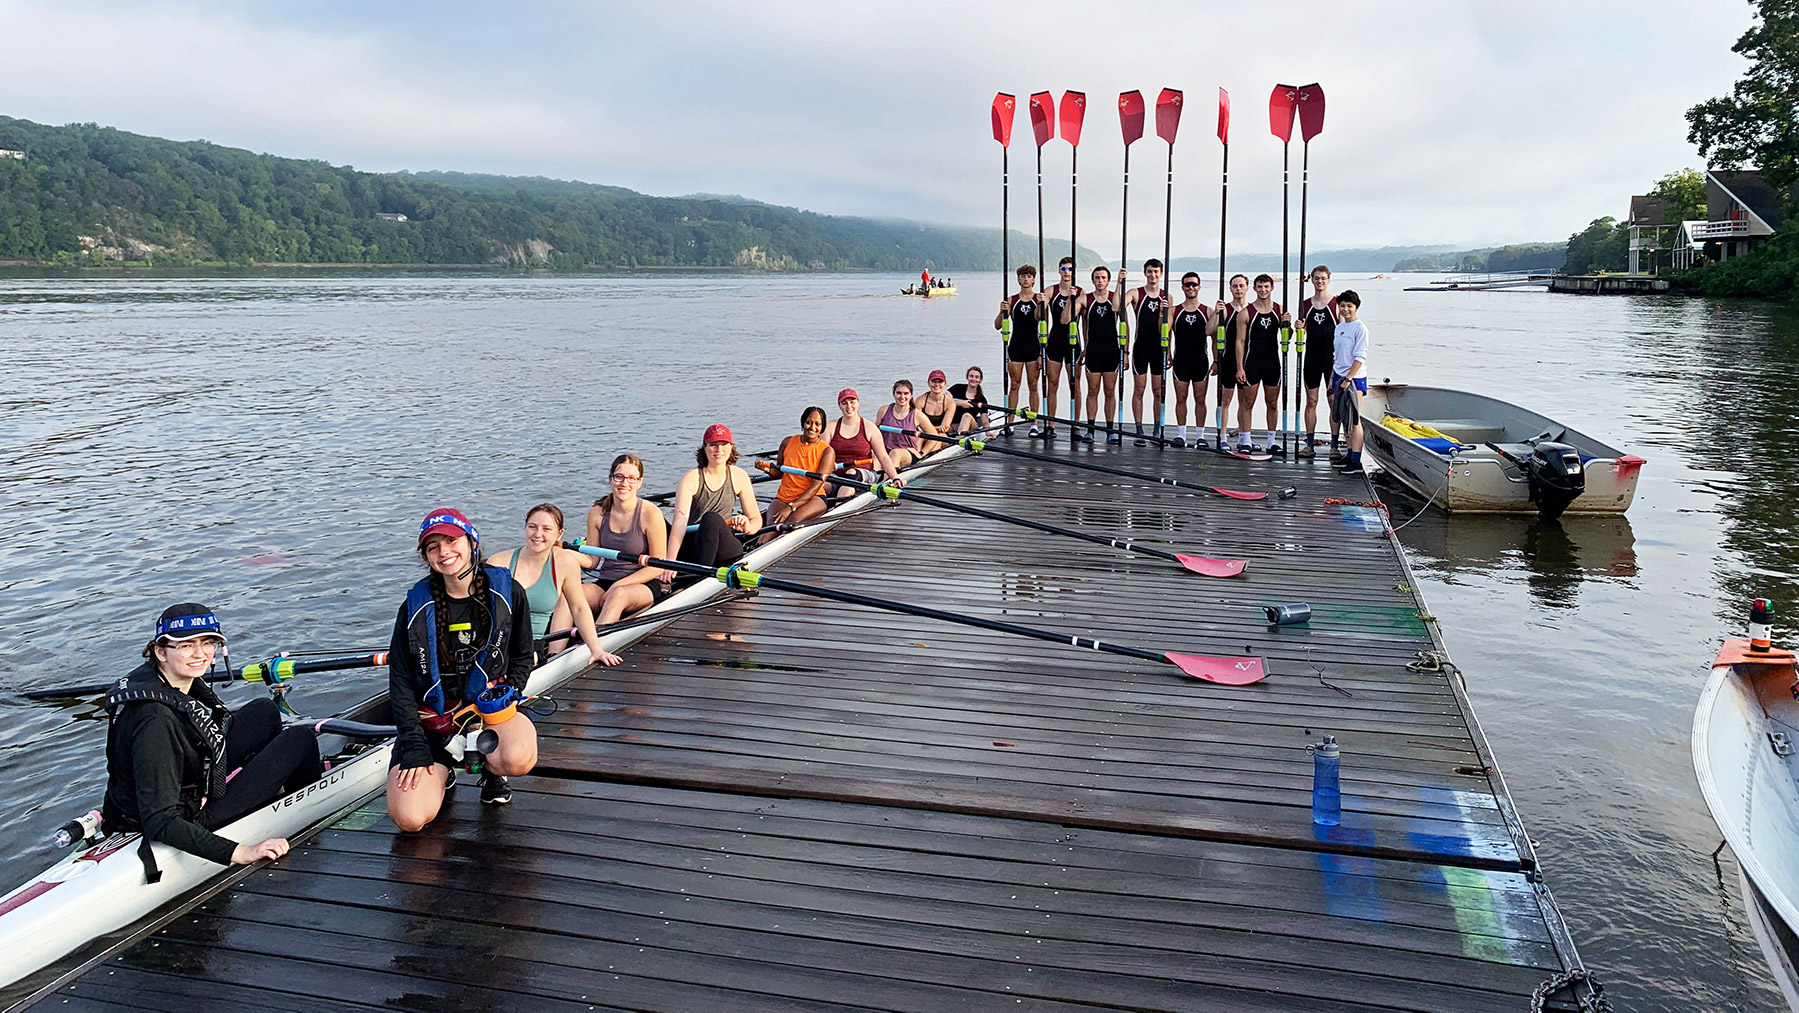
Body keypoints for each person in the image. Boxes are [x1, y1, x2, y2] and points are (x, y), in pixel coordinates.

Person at [102, 603, 321, 875]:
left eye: (208, 643)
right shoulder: (154, 721)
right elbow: (160, 822)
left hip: (187, 785)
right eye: (185, 645)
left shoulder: (163, 679)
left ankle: (274, 790)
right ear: (160, 651)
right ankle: (308, 811)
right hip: (186, 819)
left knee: (263, 711)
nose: (200, 654)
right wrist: (241, 851)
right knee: (300, 740)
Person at [388, 509, 539, 826]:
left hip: (487, 710)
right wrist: (414, 744)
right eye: (433, 547)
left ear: (472, 542)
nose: (444, 552)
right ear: (427, 557)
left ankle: (492, 771)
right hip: (433, 720)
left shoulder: (509, 593)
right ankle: (443, 771)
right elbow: (400, 681)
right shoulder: (413, 608)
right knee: (409, 819)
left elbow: (524, 657)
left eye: (451, 541)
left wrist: (504, 698)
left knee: (518, 757)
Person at [487, 505, 618, 664]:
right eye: (532, 527)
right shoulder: (498, 562)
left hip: (532, 644)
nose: (538, 534)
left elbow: (578, 608)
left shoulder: (565, 562)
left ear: (559, 534)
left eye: (546, 529)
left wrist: (596, 650)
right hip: (499, 642)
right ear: (525, 528)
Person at [582, 454, 671, 625]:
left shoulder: (650, 514)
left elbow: (658, 566)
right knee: (572, 594)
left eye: (631, 478)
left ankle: (593, 647)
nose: (624, 483)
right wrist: (563, 557)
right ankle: (551, 651)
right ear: (611, 479)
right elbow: (592, 560)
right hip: (606, 580)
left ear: (639, 482)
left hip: (643, 584)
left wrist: (618, 585)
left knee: (618, 595)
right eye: (619, 477)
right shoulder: (597, 513)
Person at [665, 424, 764, 569]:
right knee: (652, 514)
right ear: (704, 448)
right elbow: (680, 522)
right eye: (713, 445)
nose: (719, 450)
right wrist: (669, 563)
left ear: (731, 447)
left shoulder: (739, 476)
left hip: (724, 547)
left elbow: (756, 520)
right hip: (694, 542)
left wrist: (747, 527)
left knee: (711, 519)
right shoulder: (691, 478)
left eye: (724, 444)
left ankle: (695, 577)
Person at [756, 406, 836, 537]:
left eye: (817, 424)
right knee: (771, 525)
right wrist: (767, 470)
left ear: (822, 428)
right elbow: (779, 473)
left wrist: (790, 508)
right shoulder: (787, 442)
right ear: (803, 423)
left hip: (812, 498)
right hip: (784, 497)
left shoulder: (827, 452)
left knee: (791, 524)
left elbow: (815, 487)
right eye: (809, 422)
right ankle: (756, 550)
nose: (812, 427)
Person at [1233, 273, 1289, 455]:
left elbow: (1287, 338)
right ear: (1255, 288)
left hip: (1272, 363)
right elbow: (1240, 341)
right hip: (1252, 363)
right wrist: (1240, 367)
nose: (1263, 290)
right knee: (1247, 402)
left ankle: (1271, 442)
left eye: (1266, 287)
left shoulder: (1280, 310)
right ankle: (1246, 440)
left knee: (1272, 403)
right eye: (1259, 286)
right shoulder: (1245, 313)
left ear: (1272, 288)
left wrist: (1289, 325)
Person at [1072, 264, 1124, 444]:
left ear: (1108, 280)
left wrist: (1126, 351)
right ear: (1093, 280)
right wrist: (1072, 299)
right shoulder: (1085, 299)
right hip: (1093, 351)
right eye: (1097, 278)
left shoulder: (1115, 298)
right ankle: (1091, 430)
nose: (1100, 281)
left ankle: (1110, 430)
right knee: (1092, 391)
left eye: (1103, 278)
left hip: (1111, 350)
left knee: (1110, 391)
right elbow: (1066, 319)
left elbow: (1120, 315)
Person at [994, 265, 1046, 436]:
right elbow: (997, 325)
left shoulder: (1039, 299)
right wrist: (1003, 311)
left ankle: (1034, 423)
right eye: (1022, 276)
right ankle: (1009, 423)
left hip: (1033, 347)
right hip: (1016, 347)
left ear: (1033, 279)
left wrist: (1041, 354)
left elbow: (1040, 319)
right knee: (1014, 385)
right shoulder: (1011, 300)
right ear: (1018, 279)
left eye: (1029, 276)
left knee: (1033, 385)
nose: (1025, 279)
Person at [828, 388, 907, 498]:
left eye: (852, 402)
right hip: (837, 474)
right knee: (819, 485)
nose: (849, 406)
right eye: (844, 403)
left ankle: (837, 505)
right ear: (839, 405)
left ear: (858, 403)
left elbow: (883, 457)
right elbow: (820, 454)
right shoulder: (831, 427)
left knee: (851, 474)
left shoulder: (869, 427)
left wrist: (895, 478)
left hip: (863, 474)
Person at [1296, 265, 1340, 459]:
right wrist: (1298, 327)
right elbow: (1299, 334)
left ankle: (1334, 446)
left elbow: (1344, 332)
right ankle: (1310, 444)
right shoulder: (1305, 305)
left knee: (1332, 401)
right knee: (1311, 401)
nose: (1320, 281)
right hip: (1312, 358)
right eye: (1316, 278)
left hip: (1331, 359)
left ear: (1328, 280)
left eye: (1323, 278)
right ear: (1311, 280)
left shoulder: (1337, 304)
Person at [1168, 271, 1216, 447]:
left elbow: (1213, 337)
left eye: (1194, 284)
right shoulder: (1174, 311)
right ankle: (1181, 434)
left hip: (1200, 361)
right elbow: (1164, 333)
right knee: (1181, 398)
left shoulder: (1208, 311)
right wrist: (1161, 313)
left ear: (1199, 287)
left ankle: (1199, 436)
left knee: (1200, 399)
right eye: (1187, 284)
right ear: (1182, 287)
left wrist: (1216, 361)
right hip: (1180, 360)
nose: (1190, 287)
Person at [1043, 255, 1085, 440]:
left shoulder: (1081, 292)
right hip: (1054, 342)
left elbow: (1086, 324)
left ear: (1074, 272)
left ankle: (1075, 425)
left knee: (1074, 385)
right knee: (1052, 384)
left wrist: (1087, 345)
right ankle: (1050, 425)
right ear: (1059, 271)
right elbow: (1040, 317)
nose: (1066, 272)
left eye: (1069, 269)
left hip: (1073, 343)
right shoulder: (1051, 290)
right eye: (1063, 269)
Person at [1127, 258, 1168, 445]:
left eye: (1156, 272)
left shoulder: (1166, 297)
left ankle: (1157, 430)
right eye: (1150, 271)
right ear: (1145, 273)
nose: (1153, 275)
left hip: (1159, 349)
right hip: (1141, 348)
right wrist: (1120, 283)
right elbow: (1117, 306)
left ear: (1161, 274)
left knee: (1158, 392)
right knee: (1139, 389)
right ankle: (1139, 430)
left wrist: (1170, 351)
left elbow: (1168, 329)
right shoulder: (1137, 293)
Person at [1332, 290, 1370, 475]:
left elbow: (1360, 355)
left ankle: (1356, 460)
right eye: (1342, 306)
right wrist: (1336, 375)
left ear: (1356, 307)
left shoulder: (1360, 328)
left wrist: (1349, 377)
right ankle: (1349, 454)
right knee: (1342, 418)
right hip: (1338, 375)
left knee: (1354, 419)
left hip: (1354, 379)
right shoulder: (1339, 327)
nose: (1345, 309)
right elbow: (1337, 354)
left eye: (1349, 306)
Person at [1213, 274, 1250, 447]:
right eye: (1235, 286)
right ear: (1230, 289)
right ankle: (1222, 436)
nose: (1238, 289)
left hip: (1247, 361)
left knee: (1244, 401)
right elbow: (1208, 331)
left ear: (1247, 288)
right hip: (1227, 361)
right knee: (1225, 401)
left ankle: (1244, 436)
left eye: (1241, 286)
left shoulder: (1252, 310)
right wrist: (1216, 313)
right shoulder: (1225, 309)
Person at [878, 379, 942, 468]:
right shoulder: (883, 410)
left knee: (895, 453)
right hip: (886, 451)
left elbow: (934, 436)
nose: (902, 396)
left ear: (911, 395)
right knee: (875, 457)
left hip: (907, 452)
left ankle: (890, 480)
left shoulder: (917, 415)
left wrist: (922, 454)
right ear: (894, 394)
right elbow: (875, 433)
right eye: (899, 393)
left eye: (906, 393)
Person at [949, 366, 991, 434]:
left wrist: (988, 432)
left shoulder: (981, 399)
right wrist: (961, 403)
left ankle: (959, 440)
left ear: (980, 380)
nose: (973, 379)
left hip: (970, 426)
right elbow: (942, 400)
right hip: (951, 425)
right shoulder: (957, 388)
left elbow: (985, 421)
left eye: (976, 377)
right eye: (971, 376)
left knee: (967, 415)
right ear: (967, 377)